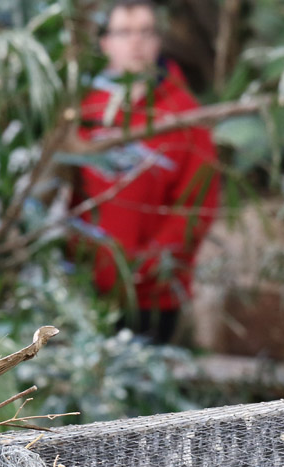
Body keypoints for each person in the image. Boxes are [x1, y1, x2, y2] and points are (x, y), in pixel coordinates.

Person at [72, 0, 220, 344]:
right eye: (124, 32)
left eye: (145, 32)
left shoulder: (184, 114)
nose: (136, 42)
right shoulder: (83, 110)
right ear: (105, 42)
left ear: (158, 41)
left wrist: (146, 267)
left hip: (154, 297)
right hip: (84, 289)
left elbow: (196, 206)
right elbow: (65, 193)